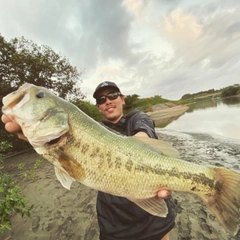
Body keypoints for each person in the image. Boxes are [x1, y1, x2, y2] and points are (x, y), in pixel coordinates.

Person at [1, 81, 175, 240]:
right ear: (98, 107)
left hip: (153, 224)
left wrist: (140, 146)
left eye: (113, 95)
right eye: (101, 99)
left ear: (123, 99)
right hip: (114, 226)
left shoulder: (138, 117)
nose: (107, 101)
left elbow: (145, 129)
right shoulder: (89, 127)